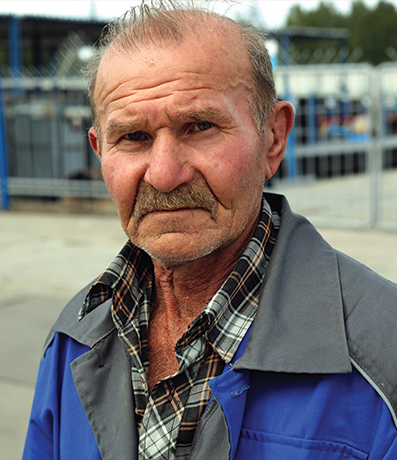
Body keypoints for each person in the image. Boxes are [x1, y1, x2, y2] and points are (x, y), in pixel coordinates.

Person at [23, 1, 397, 459]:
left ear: (273, 139)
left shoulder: (384, 353)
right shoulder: (74, 339)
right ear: (100, 152)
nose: (163, 174)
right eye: (133, 137)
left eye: (199, 126)